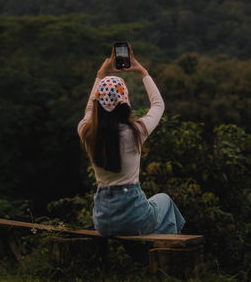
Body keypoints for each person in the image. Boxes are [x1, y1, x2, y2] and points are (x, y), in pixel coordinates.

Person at [77, 45, 185, 236]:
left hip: (102, 221)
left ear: (96, 103)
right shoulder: (135, 132)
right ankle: (160, 256)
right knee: (164, 201)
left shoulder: (86, 132)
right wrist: (142, 71)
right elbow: (158, 105)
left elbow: (88, 112)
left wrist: (100, 74)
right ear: (125, 101)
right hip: (133, 216)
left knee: (143, 220)